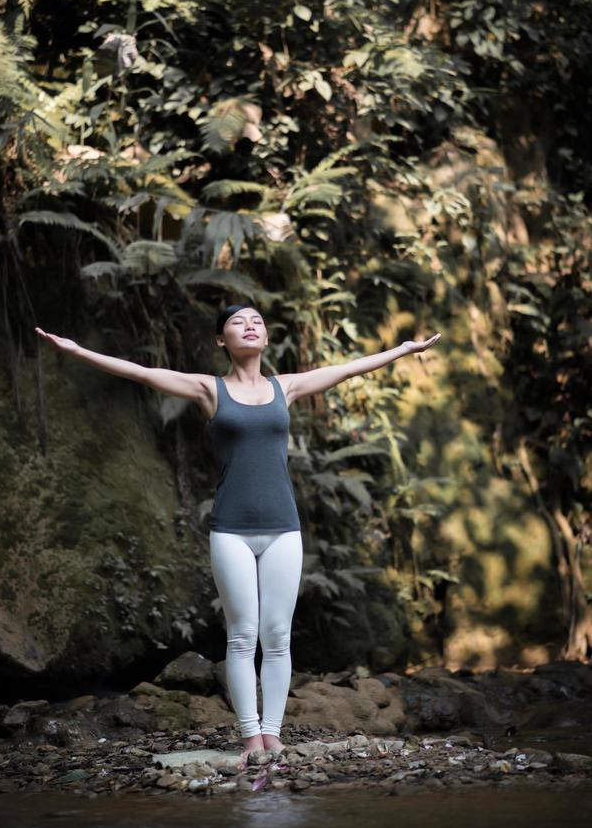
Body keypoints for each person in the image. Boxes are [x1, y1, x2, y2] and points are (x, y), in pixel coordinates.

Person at [35, 307, 440, 756]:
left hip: (284, 528)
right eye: (237, 321)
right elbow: (144, 373)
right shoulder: (210, 389)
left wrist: (402, 351)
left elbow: (346, 370)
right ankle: (250, 737)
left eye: (258, 321)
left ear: (266, 338)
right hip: (230, 530)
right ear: (220, 340)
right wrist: (77, 351)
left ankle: (274, 734)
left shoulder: (286, 386)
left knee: (278, 634)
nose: (250, 325)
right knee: (243, 634)